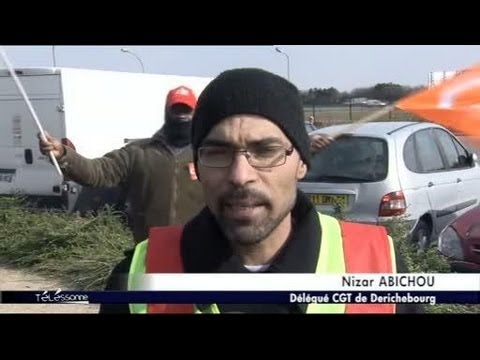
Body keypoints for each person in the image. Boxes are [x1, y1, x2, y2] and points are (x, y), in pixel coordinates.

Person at [104, 68, 421, 314]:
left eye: (266, 150)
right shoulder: (134, 277)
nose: (241, 176)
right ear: (196, 167)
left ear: (301, 163)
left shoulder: (380, 266)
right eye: (217, 152)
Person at [38, 85, 204, 243]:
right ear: (166, 112)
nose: (181, 115)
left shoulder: (207, 154)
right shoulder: (137, 153)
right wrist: (64, 154)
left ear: (196, 112)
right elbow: (97, 172)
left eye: (186, 110)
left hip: (198, 250)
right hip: (150, 249)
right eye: (176, 109)